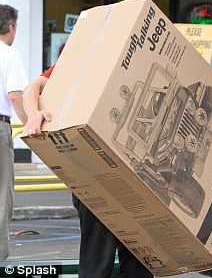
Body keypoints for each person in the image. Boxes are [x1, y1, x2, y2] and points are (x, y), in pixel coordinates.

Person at [23, 64, 153, 278]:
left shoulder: (137, 61)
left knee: (140, 265)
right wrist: (33, 115)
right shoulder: (86, 59)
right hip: (93, 178)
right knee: (96, 265)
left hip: (137, 177)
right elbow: (33, 88)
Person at [0, 4, 28, 260]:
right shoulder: (9, 54)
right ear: (10, 27)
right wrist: (30, 123)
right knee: (1, 194)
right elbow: (15, 96)